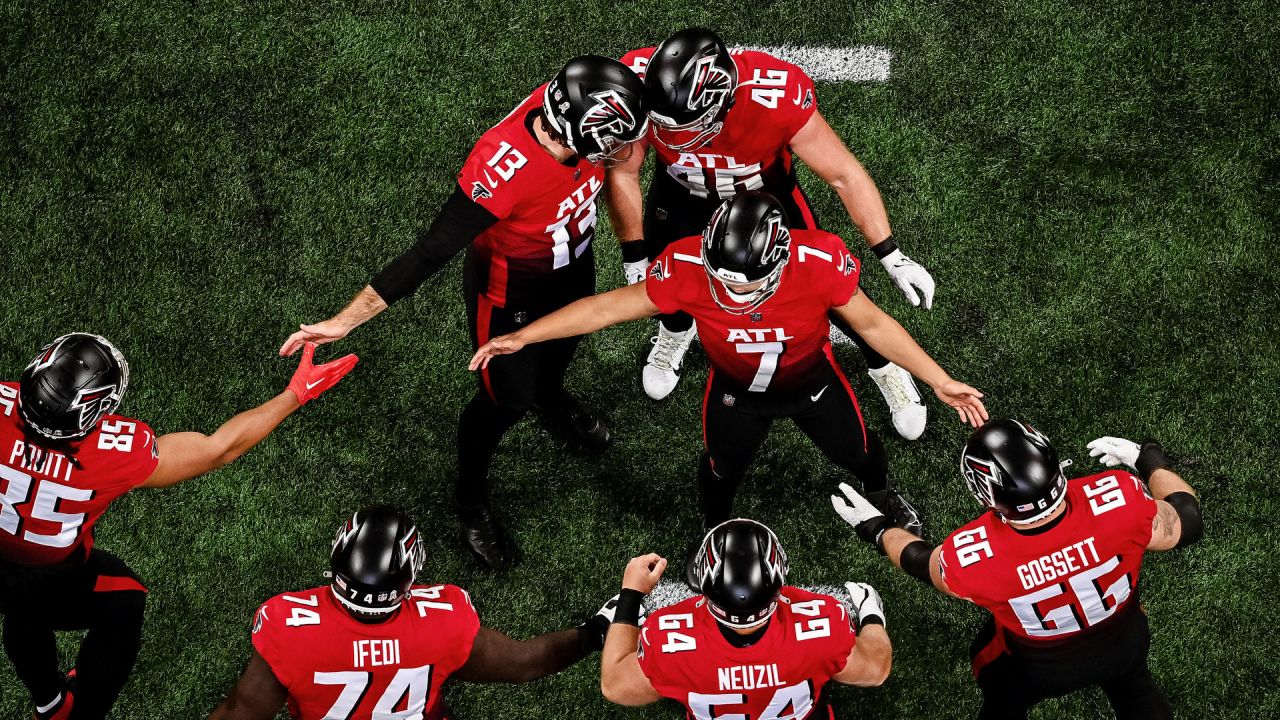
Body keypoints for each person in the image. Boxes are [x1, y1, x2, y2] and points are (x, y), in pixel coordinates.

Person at [471, 191, 986, 583]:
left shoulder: (818, 261)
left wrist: (938, 378)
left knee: (861, 451)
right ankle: (712, 531)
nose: (731, 291)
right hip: (736, 393)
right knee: (720, 469)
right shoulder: (688, 266)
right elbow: (608, 307)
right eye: (723, 278)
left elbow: (872, 325)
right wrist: (524, 335)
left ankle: (881, 495)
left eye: (746, 283)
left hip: (811, 384)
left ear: (780, 262)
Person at [279, 55, 648, 571]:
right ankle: (470, 499)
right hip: (511, 292)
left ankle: (552, 398)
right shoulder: (504, 169)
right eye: (609, 137)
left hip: (573, 263)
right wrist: (344, 320)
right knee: (504, 399)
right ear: (573, 130)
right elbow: (429, 252)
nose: (622, 150)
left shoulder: (577, 99)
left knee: (563, 350)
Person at [0, 333, 356, 720]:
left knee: (23, 613)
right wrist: (295, 393)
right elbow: (218, 448)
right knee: (124, 599)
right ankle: (77, 714)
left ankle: (49, 700)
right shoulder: (114, 453)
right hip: (56, 577)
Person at [608, 28, 936, 443]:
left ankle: (885, 366)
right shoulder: (637, 82)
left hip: (766, 208)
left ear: (722, 99)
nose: (674, 139)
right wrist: (634, 253)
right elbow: (623, 171)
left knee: (831, 286)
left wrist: (890, 254)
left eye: (687, 126)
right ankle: (675, 333)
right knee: (664, 278)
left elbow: (843, 174)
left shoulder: (775, 96)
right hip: (682, 199)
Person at [830, 419, 1204, 719]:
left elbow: (921, 562)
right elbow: (1187, 520)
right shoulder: (1121, 497)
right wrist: (1149, 458)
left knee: (1004, 703)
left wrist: (877, 529)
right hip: (1124, 639)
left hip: (1036, 666)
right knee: (1133, 685)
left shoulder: (971, 555)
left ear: (985, 495)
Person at [209, 505, 627, 720]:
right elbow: (522, 663)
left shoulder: (287, 625)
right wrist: (595, 631)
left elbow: (241, 713)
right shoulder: (444, 619)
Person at [598, 519, 892, 719]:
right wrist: (871, 617)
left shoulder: (665, 638)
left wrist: (631, 594)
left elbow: (616, 685)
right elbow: (875, 669)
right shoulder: (824, 621)